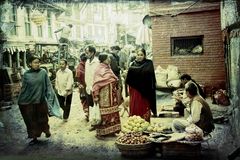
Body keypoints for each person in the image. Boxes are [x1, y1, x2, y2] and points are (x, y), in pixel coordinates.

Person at [18, 56, 56, 145]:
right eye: (35, 62)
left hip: (41, 100)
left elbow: (48, 85)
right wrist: (21, 100)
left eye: (38, 62)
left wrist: (50, 97)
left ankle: (46, 130)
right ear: (30, 64)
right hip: (29, 101)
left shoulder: (43, 73)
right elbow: (24, 89)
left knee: (43, 118)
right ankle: (34, 137)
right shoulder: (26, 75)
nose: (37, 64)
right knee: (31, 120)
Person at [92, 53, 121, 139]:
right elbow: (96, 84)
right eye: (108, 58)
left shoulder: (108, 68)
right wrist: (96, 95)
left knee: (112, 112)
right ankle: (101, 133)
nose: (110, 59)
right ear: (103, 59)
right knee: (104, 113)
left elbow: (113, 78)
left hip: (112, 96)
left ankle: (112, 131)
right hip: (104, 97)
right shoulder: (98, 69)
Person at [125, 48, 157, 122]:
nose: (139, 56)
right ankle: (134, 122)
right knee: (135, 106)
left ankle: (145, 122)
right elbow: (129, 78)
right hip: (135, 90)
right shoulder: (133, 64)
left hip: (146, 91)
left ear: (145, 55)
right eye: (138, 55)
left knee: (144, 106)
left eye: (141, 55)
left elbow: (150, 76)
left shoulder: (149, 63)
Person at [85, 45, 100, 127]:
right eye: (86, 53)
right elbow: (87, 75)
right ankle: (93, 122)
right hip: (88, 87)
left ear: (92, 53)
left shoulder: (97, 62)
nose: (86, 54)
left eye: (87, 52)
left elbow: (97, 75)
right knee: (90, 104)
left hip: (95, 87)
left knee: (97, 105)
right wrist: (87, 85)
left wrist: (95, 86)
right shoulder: (87, 62)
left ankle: (97, 122)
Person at [75, 53, 88, 120]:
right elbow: (78, 76)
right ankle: (87, 112)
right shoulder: (81, 66)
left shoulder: (80, 66)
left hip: (85, 85)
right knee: (84, 98)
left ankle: (87, 112)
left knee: (84, 99)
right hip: (83, 86)